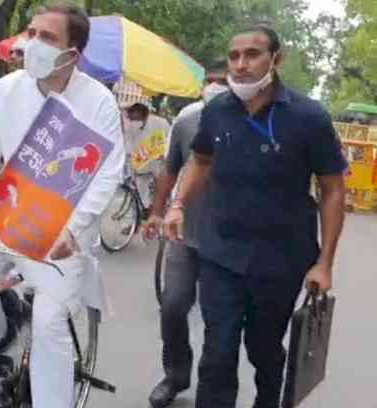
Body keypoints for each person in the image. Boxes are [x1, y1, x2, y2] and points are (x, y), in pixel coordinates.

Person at [163, 25, 346, 408]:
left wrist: (325, 263)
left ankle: (269, 399)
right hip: (220, 254)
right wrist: (178, 205)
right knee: (217, 353)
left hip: (281, 260)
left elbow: (332, 189)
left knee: (264, 350)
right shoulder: (216, 111)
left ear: (277, 59)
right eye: (234, 56)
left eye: (252, 55)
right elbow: (200, 161)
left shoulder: (309, 117)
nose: (241, 65)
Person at [0, 4, 124, 407]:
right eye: (31, 33)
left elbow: (106, 174)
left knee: (47, 322)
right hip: (6, 220)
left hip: (61, 234)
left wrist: (72, 228)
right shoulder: (6, 91)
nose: (33, 43)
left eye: (47, 38)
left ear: (72, 55)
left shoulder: (98, 102)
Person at [142, 61, 229, 408]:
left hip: (227, 242)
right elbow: (170, 167)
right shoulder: (187, 119)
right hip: (184, 234)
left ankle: (213, 389)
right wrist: (157, 211)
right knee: (173, 307)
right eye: (210, 81)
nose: (215, 87)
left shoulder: (248, 119)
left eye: (222, 82)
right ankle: (175, 375)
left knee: (219, 319)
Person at [122, 101, 171, 211]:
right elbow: (128, 144)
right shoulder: (131, 126)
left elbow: (169, 140)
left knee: (160, 185)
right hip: (142, 165)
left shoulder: (160, 123)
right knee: (141, 189)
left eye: (135, 118)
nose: (133, 121)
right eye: (131, 118)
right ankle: (145, 209)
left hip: (158, 162)